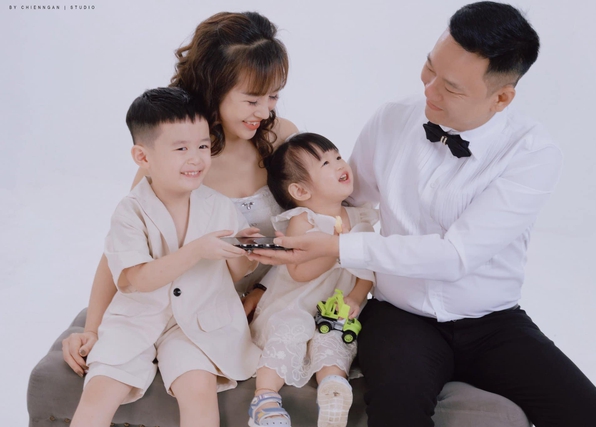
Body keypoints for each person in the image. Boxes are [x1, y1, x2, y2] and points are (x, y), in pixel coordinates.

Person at [248, 2, 596, 427]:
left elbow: (455, 255)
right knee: (396, 411)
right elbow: (340, 204)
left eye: (451, 88)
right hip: (399, 316)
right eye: (429, 68)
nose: (428, 90)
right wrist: (270, 280)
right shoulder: (392, 119)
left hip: (493, 323)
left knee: (595, 418)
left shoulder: (532, 154)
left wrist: (338, 247)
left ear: (501, 97)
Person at [61, 11, 298, 376]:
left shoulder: (281, 137)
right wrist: (92, 329)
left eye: (274, 97)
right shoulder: (179, 161)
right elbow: (123, 248)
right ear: (214, 88)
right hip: (199, 309)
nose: (264, 112)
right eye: (252, 99)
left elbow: (315, 222)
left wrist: (263, 292)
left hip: (280, 296)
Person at [70, 87, 262, 427]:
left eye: (203, 146)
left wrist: (245, 251)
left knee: (199, 392)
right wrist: (197, 249)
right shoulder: (130, 211)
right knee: (99, 393)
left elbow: (232, 275)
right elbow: (139, 278)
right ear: (143, 157)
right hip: (135, 319)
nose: (196, 158)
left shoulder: (218, 206)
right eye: (181, 148)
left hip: (198, 323)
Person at [248, 133, 377, 427]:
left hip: (335, 306)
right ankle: (265, 398)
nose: (340, 164)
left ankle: (333, 390)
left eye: (338, 156)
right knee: (290, 331)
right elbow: (298, 272)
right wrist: (335, 248)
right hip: (295, 303)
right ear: (300, 190)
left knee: (333, 339)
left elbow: (368, 272)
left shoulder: (360, 219)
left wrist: (356, 297)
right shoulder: (303, 220)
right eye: (326, 163)